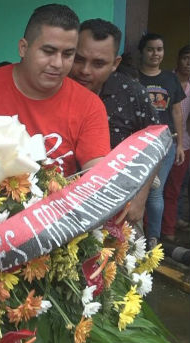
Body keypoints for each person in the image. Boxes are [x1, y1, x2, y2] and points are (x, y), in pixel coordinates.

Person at [0, 4, 110, 177]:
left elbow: (97, 176)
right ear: (23, 48)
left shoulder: (89, 105)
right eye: (48, 51)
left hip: (59, 203)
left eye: (68, 54)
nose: (58, 63)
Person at [68, 18, 159, 223]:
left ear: (115, 64)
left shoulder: (133, 94)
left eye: (98, 63)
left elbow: (156, 146)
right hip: (57, 205)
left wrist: (140, 198)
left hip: (118, 205)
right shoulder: (55, 87)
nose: (85, 70)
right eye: (79, 59)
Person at [137, 33, 186, 248]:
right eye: (150, 49)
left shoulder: (170, 79)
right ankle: (133, 237)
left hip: (165, 143)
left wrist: (180, 144)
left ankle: (153, 238)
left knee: (156, 192)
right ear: (142, 51)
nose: (155, 53)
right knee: (136, 190)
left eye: (159, 49)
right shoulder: (133, 78)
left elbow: (177, 112)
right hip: (137, 145)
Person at [161, 45, 190, 242]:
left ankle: (169, 229)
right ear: (178, 59)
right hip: (161, 143)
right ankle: (154, 229)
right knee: (156, 190)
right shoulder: (166, 80)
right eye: (186, 58)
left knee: (174, 189)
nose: (188, 63)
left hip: (183, 144)